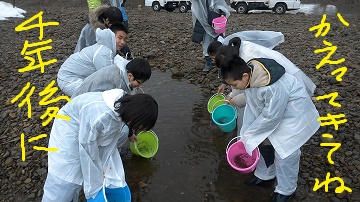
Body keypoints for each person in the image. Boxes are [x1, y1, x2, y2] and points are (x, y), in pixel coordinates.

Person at [216, 45, 320, 202]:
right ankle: (266, 174)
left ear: (244, 77)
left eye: (235, 85)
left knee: (285, 151)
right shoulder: (250, 76)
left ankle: (286, 189)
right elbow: (253, 102)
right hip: (276, 111)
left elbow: (271, 117)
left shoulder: (272, 86)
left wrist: (253, 134)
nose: (234, 88)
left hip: (294, 113)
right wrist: (249, 135)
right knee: (259, 141)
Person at [41, 89, 158, 201]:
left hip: (86, 127)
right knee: (66, 176)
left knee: (99, 169)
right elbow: (87, 150)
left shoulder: (123, 104)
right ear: (135, 116)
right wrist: (95, 183)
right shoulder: (100, 116)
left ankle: (72, 198)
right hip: (69, 127)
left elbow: (104, 146)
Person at [57, 23, 128, 97]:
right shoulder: (103, 52)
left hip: (73, 76)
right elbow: (109, 77)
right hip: (69, 80)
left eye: (124, 39)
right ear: (111, 36)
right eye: (120, 38)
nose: (123, 42)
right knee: (97, 96)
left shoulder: (104, 47)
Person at [71, 56, 151, 98]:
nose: (139, 86)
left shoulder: (121, 71)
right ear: (130, 75)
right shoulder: (117, 81)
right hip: (81, 101)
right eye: (138, 82)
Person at [191, 0, 230, 72]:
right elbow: (195, 7)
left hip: (215, 22)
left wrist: (222, 13)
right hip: (203, 24)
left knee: (219, 43)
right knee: (206, 44)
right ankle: (208, 64)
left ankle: (222, 63)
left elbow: (221, 5)